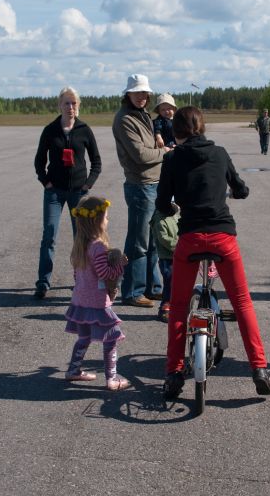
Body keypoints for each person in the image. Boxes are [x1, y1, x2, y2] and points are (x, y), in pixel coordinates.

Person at [156, 106, 270, 399]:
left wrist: (173, 207)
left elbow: (161, 202)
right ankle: (259, 368)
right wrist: (235, 192)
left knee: (179, 306)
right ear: (203, 127)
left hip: (190, 238)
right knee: (243, 303)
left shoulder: (172, 158)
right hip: (223, 237)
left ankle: (173, 374)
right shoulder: (219, 153)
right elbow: (241, 189)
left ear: (177, 131)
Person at [33, 87, 102, 299]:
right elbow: (39, 161)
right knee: (49, 234)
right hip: (55, 192)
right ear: (59, 105)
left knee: (81, 237)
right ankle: (43, 283)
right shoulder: (50, 130)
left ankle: (81, 281)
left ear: (78, 106)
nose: (70, 107)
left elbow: (96, 162)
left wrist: (87, 185)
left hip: (78, 193)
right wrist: (46, 182)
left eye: (74, 103)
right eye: (66, 103)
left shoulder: (84, 130)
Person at [112, 74, 172, 308]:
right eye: (138, 93)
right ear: (128, 94)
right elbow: (141, 155)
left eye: (145, 93)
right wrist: (164, 151)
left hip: (154, 183)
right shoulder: (125, 119)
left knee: (154, 240)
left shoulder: (143, 115)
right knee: (138, 241)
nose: (143, 97)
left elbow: (149, 149)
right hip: (140, 185)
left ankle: (153, 287)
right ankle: (133, 291)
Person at [63, 195, 131, 391]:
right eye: (106, 217)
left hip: (80, 301)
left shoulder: (80, 245)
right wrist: (119, 266)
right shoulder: (98, 246)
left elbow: (77, 275)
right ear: (96, 221)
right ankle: (112, 378)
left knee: (83, 338)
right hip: (98, 303)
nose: (108, 220)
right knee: (111, 339)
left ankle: (73, 370)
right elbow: (105, 273)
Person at [150, 203, 179, 322]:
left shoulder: (174, 215)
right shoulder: (160, 221)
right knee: (169, 283)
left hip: (178, 255)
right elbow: (164, 240)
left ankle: (176, 307)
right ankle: (165, 308)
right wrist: (180, 245)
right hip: (167, 258)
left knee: (177, 283)